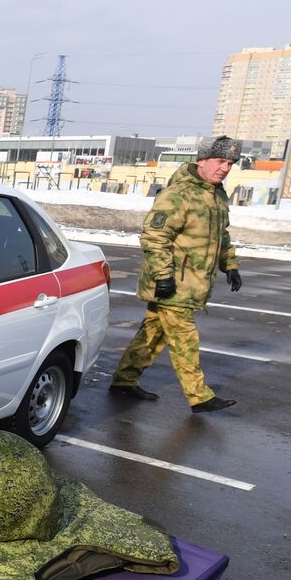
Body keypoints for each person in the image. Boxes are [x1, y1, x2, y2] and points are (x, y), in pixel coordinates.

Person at [108, 136, 242, 413]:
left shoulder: (216, 194)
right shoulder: (179, 194)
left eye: (230, 163)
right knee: (184, 338)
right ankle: (199, 396)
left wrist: (230, 265)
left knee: (154, 332)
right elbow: (155, 236)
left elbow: (222, 234)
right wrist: (164, 276)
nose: (225, 168)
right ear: (202, 161)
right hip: (174, 282)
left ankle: (125, 379)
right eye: (220, 161)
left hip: (192, 281)